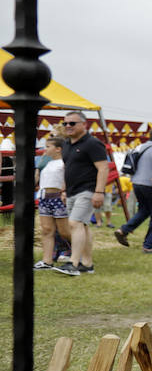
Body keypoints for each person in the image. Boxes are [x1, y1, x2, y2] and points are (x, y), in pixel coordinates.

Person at [57, 111, 110, 276]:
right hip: (72, 191)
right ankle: (87, 264)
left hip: (88, 190)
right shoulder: (66, 144)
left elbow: (103, 168)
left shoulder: (93, 143)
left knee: (75, 223)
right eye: (65, 123)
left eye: (72, 123)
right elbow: (67, 168)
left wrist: (99, 192)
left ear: (84, 125)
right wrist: (64, 189)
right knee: (83, 226)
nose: (68, 126)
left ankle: (73, 263)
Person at [114, 127, 152, 247]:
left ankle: (124, 230)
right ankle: (150, 242)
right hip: (150, 184)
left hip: (136, 182)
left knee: (144, 210)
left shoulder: (139, 146)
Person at [35, 136, 73, 271]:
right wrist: (39, 167)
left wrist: (65, 191)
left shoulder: (64, 163)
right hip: (45, 197)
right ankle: (47, 261)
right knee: (47, 230)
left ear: (58, 149)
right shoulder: (46, 163)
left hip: (58, 198)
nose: (45, 149)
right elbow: (37, 179)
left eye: (48, 147)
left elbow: (68, 179)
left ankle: (79, 254)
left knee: (64, 231)